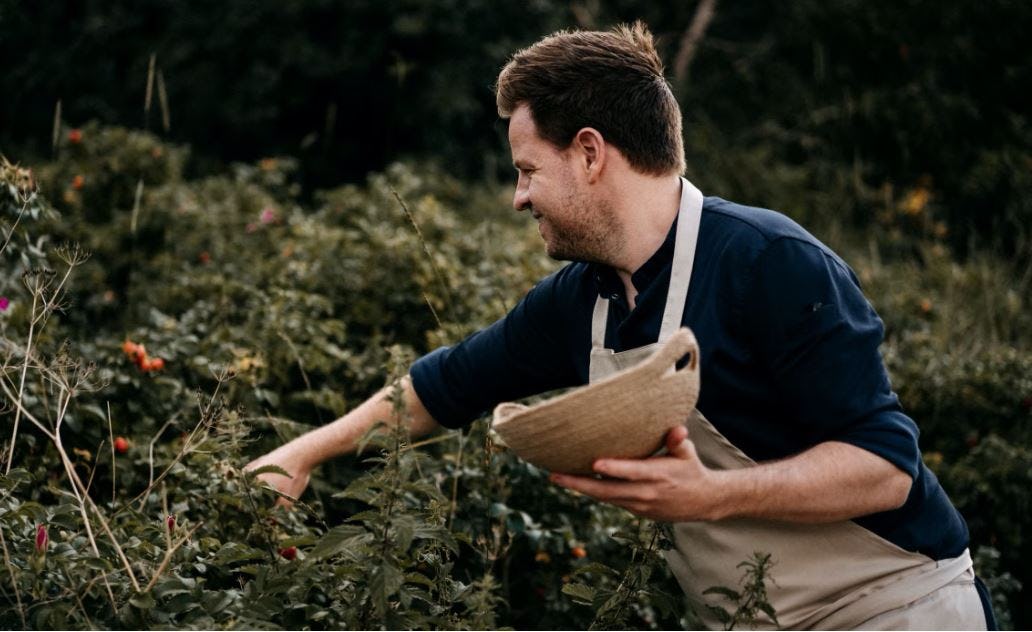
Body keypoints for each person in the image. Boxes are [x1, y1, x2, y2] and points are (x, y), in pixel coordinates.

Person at [248, 22, 995, 630]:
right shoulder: (581, 301)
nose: (517, 198)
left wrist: (712, 496)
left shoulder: (773, 264)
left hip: (896, 609)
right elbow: (447, 385)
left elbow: (886, 467)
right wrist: (306, 453)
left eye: (527, 169)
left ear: (591, 153)